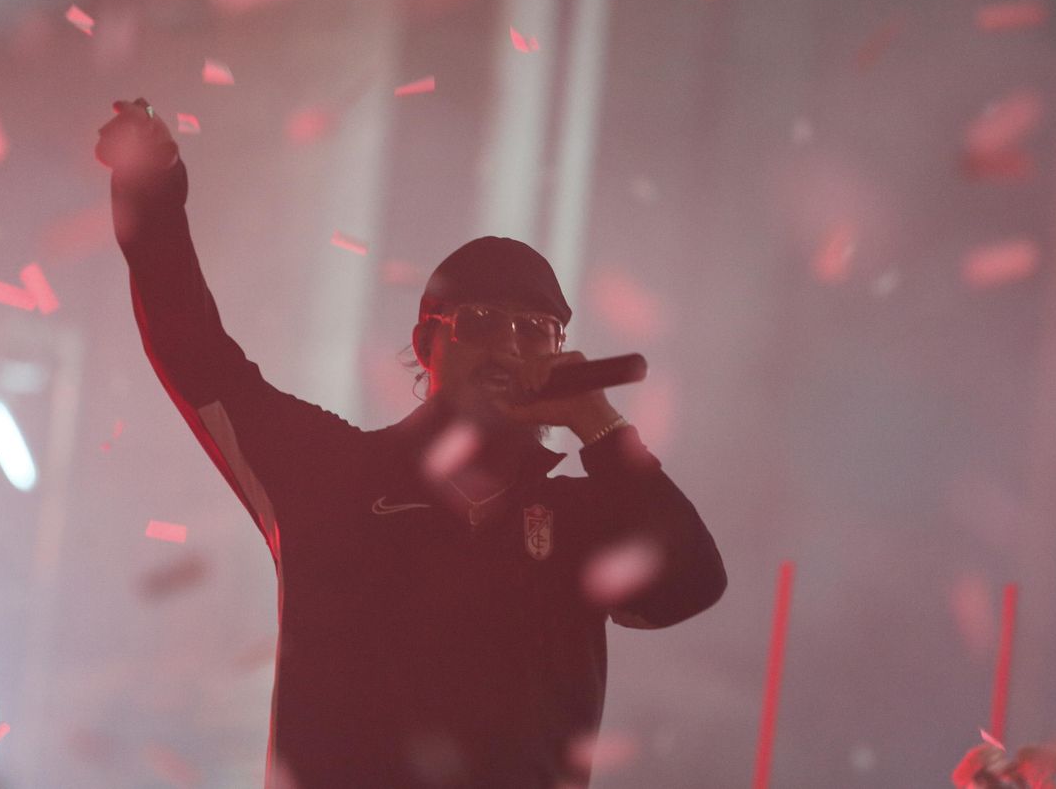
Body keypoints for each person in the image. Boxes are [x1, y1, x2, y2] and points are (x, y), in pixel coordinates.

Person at [97, 98, 727, 788]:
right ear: (426, 343)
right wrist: (151, 195)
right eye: (481, 320)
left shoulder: (578, 521)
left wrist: (599, 426)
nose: (508, 347)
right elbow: (199, 356)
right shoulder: (333, 475)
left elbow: (691, 583)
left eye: (536, 330)